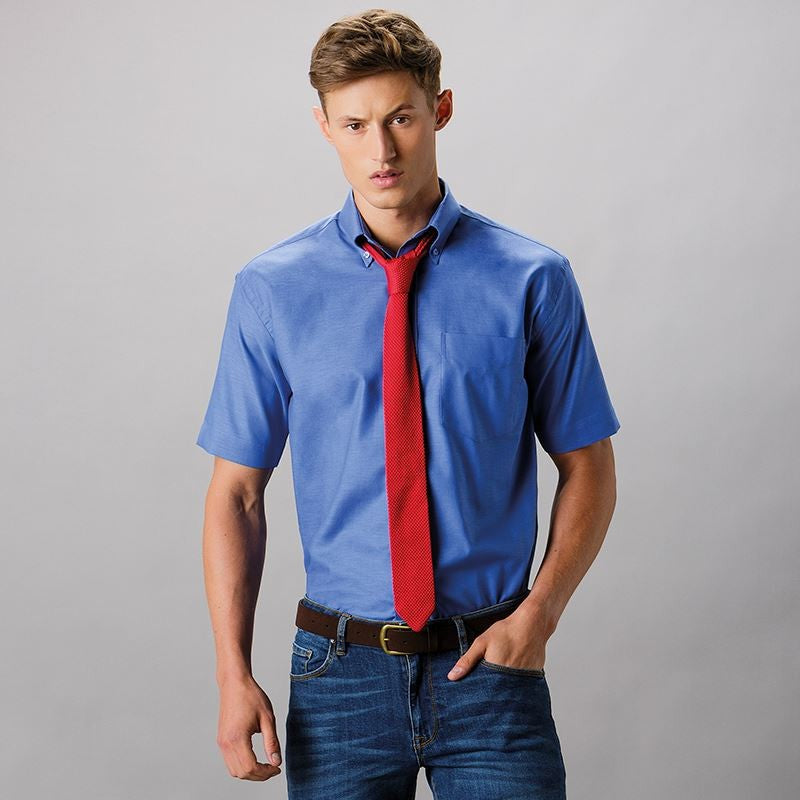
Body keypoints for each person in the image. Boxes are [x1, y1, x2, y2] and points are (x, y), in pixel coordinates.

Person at [196, 8, 620, 799]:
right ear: (324, 127)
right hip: (338, 677)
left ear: (440, 110)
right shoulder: (272, 290)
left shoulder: (532, 278)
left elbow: (589, 464)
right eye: (355, 125)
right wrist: (232, 673)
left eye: (400, 118)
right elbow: (237, 494)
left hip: (490, 665)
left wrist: (539, 616)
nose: (381, 151)